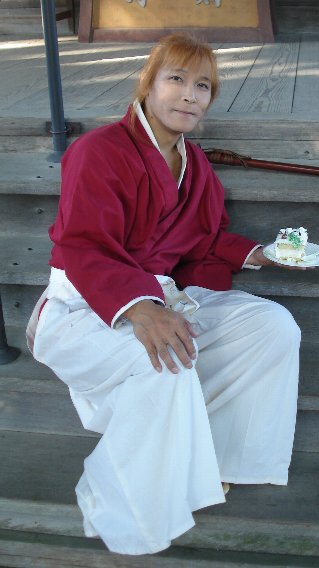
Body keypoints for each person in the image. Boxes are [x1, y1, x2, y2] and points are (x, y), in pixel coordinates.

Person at [26, 33, 303, 556]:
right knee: (168, 357)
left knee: (272, 326)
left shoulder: (194, 166)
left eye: (203, 86)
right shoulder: (97, 150)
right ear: (148, 84)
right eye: (176, 79)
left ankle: (213, 460)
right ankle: (130, 510)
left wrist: (261, 254)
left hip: (156, 296)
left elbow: (203, 241)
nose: (189, 95)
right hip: (84, 304)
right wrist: (139, 308)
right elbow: (83, 244)